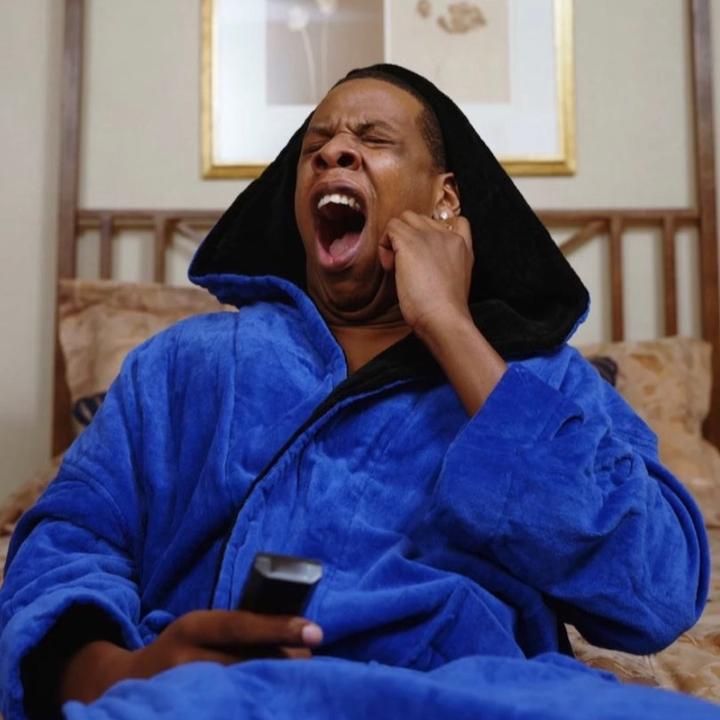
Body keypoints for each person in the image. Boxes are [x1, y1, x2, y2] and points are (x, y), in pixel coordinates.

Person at [0, 64, 716, 719]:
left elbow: (654, 593)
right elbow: (71, 535)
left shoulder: (536, 378)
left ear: (445, 200)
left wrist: (450, 326)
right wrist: (111, 670)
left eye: (372, 139)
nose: (333, 152)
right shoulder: (183, 364)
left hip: (474, 695)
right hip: (221, 696)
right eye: (316, 145)